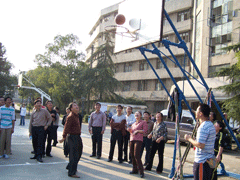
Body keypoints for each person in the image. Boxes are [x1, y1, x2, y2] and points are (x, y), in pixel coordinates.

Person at [184, 103, 216, 180]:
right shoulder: (210, 125)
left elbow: (200, 145)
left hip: (202, 161)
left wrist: (189, 139)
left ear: (201, 114)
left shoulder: (203, 127)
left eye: (197, 111)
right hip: (209, 160)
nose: (195, 112)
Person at [59, 102, 83, 178]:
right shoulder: (70, 116)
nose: (77, 107)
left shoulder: (77, 116)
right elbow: (66, 127)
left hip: (77, 137)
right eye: (75, 106)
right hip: (72, 137)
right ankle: (71, 172)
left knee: (79, 152)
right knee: (73, 155)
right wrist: (63, 137)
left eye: (77, 105)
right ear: (71, 109)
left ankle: (70, 166)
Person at [128, 111, 148, 178]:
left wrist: (138, 131)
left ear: (140, 115)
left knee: (137, 155)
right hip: (132, 139)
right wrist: (130, 130)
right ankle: (134, 169)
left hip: (138, 140)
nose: (136, 115)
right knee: (132, 155)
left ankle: (141, 171)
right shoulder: (133, 124)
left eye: (138, 114)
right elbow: (132, 132)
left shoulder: (143, 122)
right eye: (135, 114)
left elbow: (145, 130)